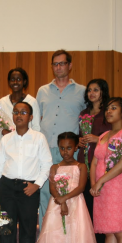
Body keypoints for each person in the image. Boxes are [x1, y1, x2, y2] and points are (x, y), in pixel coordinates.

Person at [0, 102, 52, 243]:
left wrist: (37, 185)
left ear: (31, 117)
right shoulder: (5, 139)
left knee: (28, 231)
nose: (19, 115)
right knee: (5, 230)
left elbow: (47, 164)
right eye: (16, 112)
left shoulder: (39, 138)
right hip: (7, 188)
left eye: (23, 112)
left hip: (29, 189)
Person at [35, 132, 96, 243]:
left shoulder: (81, 166)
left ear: (76, 147)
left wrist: (65, 199)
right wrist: (60, 201)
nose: (65, 151)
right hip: (57, 205)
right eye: (62, 148)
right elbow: (53, 188)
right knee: (58, 238)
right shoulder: (55, 167)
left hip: (76, 204)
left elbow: (81, 187)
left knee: (75, 237)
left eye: (69, 148)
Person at [36, 49, 86, 231]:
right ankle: (45, 236)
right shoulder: (42, 91)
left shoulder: (82, 92)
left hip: (70, 153)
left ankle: (69, 238)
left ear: (70, 65)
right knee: (45, 195)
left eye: (62, 63)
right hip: (46, 151)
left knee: (70, 196)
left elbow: (87, 119)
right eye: (55, 64)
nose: (58, 67)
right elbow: (36, 121)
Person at [90, 98, 122, 243]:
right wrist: (93, 184)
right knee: (108, 232)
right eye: (107, 109)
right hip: (101, 190)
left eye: (114, 108)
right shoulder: (103, 135)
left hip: (117, 188)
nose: (109, 111)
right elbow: (95, 162)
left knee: (120, 231)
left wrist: (100, 181)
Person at [78, 79, 111, 243]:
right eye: (89, 90)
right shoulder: (84, 114)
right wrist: (81, 140)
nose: (92, 93)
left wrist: (95, 139)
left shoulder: (108, 113)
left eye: (96, 90)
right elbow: (83, 137)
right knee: (90, 219)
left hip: (102, 171)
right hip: (85, 168)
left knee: (102, 221)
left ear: (103, 92)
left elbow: (116, 139)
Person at [0, 67, 41, 140]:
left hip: (26, 144)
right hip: (6, 144)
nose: (15, 82)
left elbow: (36, 127)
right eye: (12, 79)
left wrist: (25, 137)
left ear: (24, 82)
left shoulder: (32, 101)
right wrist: (3, 132)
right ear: (9, 82)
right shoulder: (2, 102)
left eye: (19, 79)